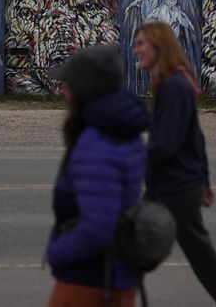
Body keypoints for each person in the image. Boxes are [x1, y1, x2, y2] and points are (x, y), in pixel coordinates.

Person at [132, 21, 216, 307]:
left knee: (198, 260)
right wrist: (205, 181)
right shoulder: (172, 84)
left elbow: (166, 145)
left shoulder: (173, 87)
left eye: (140, 43)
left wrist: (124, 158)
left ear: (159, 47)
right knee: (133, 249)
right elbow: (196, 138)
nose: (135, 49)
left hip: (174, 189)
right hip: (173, 185)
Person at [46, 44, 148, 307]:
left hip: (91, 281)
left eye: (68, 84)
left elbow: (97, 229)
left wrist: (55, 253)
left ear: (85, 90)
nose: (63, 91)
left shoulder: (97, 142)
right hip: (116, 273)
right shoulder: (122, 129)